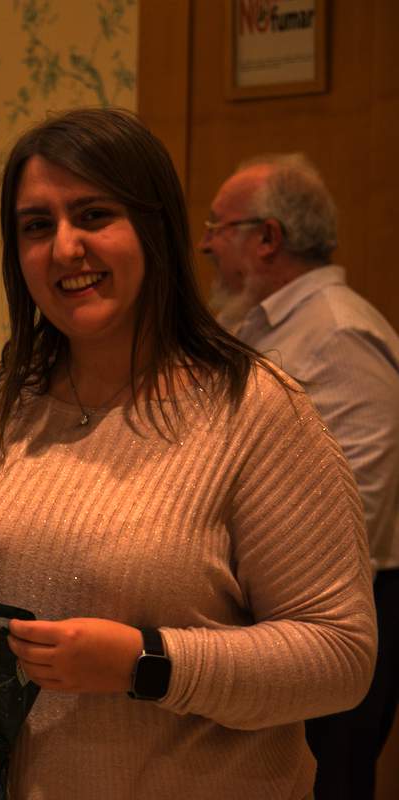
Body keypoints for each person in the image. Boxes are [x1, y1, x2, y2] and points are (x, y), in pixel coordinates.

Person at [0, 108, 377, 798]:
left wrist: (147, 662)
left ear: (153, 228)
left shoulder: (257, 411)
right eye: (37, 226)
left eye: (93, 216)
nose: (65, 248)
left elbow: (341, 657)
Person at [203, 154, 399, 799]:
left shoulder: (338, 334)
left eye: (217, 226)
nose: (205, 245)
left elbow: (354, 510)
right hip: (276, 616)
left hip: (331, 621)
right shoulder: (258, 323)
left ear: (267, 237)